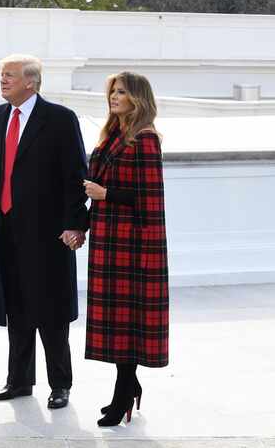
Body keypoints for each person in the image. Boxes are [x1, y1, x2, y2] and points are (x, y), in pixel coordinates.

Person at [0, 54, 88, 410]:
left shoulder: (60, 119)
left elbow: (75, 176)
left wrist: (75, 223)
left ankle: (60, 384)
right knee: (15, 307)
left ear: (31, 82)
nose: (3, 81)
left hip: (48, 233)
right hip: (3, 229)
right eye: (1, 75)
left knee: (50, 310)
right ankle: (18, 381)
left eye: (10, 76)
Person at [83, 71, 169, 427]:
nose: (114, 97)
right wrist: (85, 223)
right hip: (108, 238)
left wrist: (106, 195)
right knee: (117, 323)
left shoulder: (144, 139)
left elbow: (151, 200)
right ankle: (128, 385)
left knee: (128, 321)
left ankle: (122, 394)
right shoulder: (113, 135)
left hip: (134, 244)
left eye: (121, 92)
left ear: (138, 98)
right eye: (112, 92)